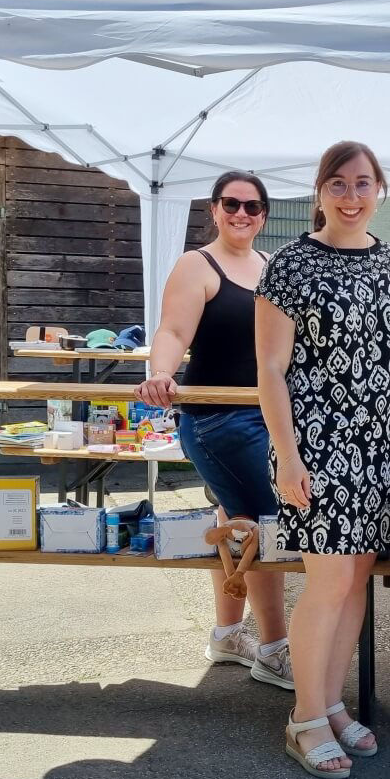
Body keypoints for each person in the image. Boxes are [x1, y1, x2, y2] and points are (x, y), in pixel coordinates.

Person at [255, 141, 390, 779]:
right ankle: (303, 717)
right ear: (319, 189)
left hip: (378, 439)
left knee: (357, 577)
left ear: (380, 188)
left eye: (363, 184)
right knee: (328, 581)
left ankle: (329, 701)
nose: (352, 197)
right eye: (339, 184)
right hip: (318, 441)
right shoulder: (291, 266)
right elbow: (270, 369)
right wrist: (288, 456)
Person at [135, 170, 292, 690]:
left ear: (264, 215)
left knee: (235, 520)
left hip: (269, 415)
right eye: (232, 204)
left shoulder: (273, 267)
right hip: (217, 420)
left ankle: (228, 635)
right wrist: (161, 372)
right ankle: (273, 648)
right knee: (264, 523)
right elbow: (173, 330)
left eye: (252, 206)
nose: (241, 214)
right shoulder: (195, 264)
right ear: (215, 208)